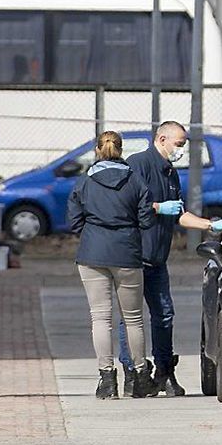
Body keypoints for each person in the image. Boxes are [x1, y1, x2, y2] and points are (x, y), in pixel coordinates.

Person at [116, 121, 222, 397]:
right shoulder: (138, 164)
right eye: (178, 144)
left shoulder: (170, 172)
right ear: (162, 138)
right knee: (130, 318)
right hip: (134, 256)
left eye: (183, 145)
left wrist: (209, 225)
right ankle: (133, 373)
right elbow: (129, 204)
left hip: (157, 257)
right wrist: (158, 207)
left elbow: (178, 212)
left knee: (164, 314)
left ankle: (164, 370)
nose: (181, 150)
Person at [66, 130, 160, 399]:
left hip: (92, 253)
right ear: (121, 150)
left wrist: (93, 230)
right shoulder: (136, 181)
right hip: (127, 253)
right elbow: (146, 220)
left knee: (100, 318)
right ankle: (140, 377)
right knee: (133, 319)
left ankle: (107, 380)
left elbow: (73, 222)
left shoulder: (84, 182)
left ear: (98, 150)